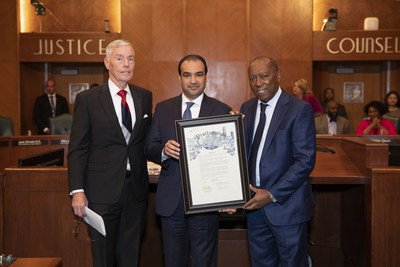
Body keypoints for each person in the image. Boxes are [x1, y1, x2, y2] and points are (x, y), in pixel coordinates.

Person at [68, 39, 153, 267]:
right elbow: (77, 148)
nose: (127, 64)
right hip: (101, 193)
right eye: (120, 58)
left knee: (130, 257)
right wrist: (77, 190)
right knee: (104, 258)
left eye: (131, 58)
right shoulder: (88, 100)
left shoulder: (145, 97)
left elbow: (144, 142)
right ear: (107, 63)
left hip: (135, 191)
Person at [145, 54, 231, 267]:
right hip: (171, 203)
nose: (193, 80)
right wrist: (164, 151)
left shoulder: (222, 110)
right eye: (187, 75)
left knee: (205, 262)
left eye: (198, 74)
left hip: (207, 202)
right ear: (180, 78)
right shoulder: (163, 109)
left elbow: (229, 157)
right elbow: (149, 147)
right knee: (173, 261)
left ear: (206, 77)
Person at [241, 56, 316, 266]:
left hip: (287, 208)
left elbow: (305, 161)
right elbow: (243, 156)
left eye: (264, 76)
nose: (258, 83)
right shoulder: (246, 109)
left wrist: (271, 194)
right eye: (253, 78)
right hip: (254, 208)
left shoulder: (299, 109)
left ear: (278, 76)